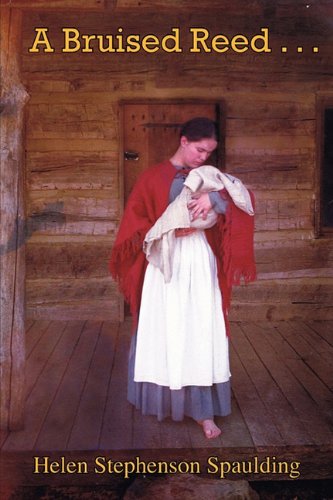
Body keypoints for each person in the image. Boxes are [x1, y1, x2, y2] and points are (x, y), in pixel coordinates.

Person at [110, 117, 256, 439]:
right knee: (166, 327)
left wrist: (213, 199)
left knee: (200, 327)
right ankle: (163, 401)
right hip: (165, 262)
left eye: (210, 152)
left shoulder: (210, 179)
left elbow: (245, 200)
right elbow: (135, 224)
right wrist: (169, 227)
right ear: (185, 141)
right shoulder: (152, 178)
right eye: (200, 150)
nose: (204, 157)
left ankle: (204, 412)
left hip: (198, 259)